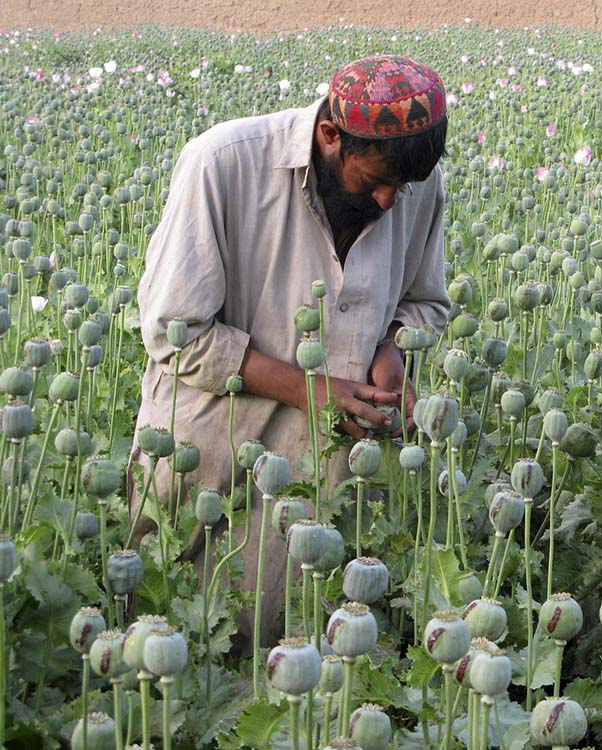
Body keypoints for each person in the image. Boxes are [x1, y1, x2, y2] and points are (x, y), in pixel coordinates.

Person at [134, 54, 451, 643]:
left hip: (336, 477)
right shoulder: (224, 165)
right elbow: (175, 332)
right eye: (375, 181)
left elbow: (425, 301)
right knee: (187, 645)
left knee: (299, 654)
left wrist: (392, 350)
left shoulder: (414, 183)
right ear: (331, 136)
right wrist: (313, 389)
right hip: (215, 456)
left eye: (401, 187)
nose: (389, 201)